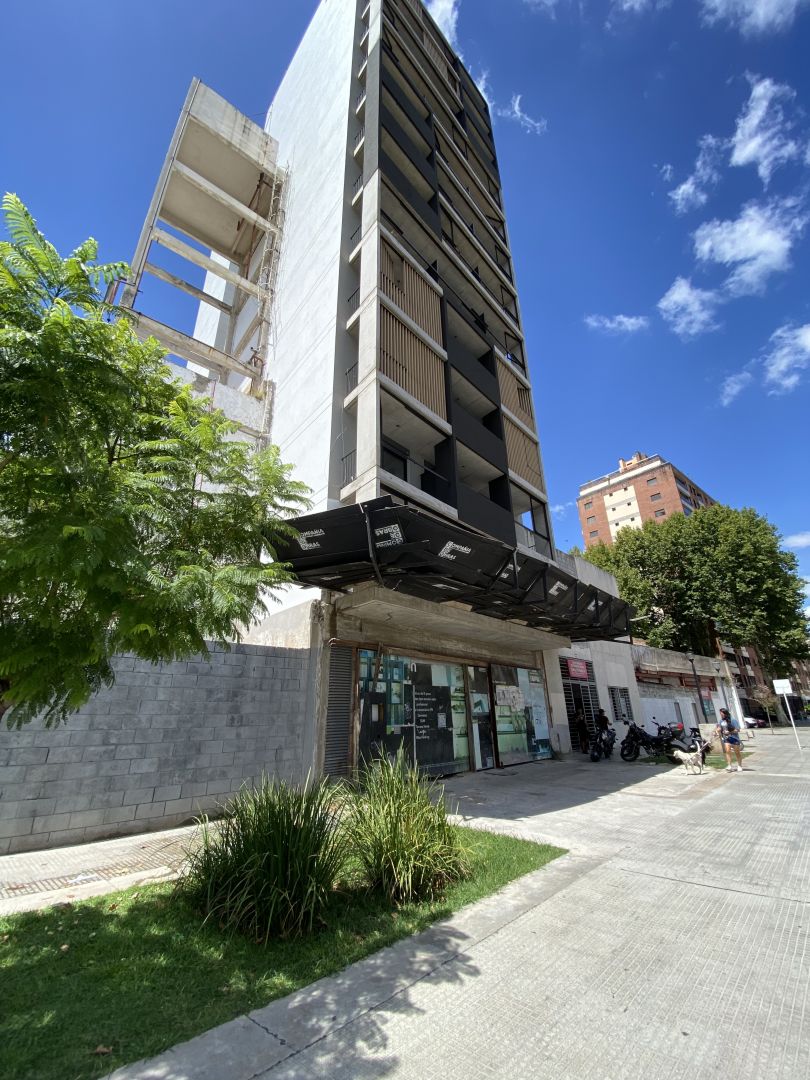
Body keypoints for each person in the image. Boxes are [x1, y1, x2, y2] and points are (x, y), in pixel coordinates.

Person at [716, 707, 743, 772]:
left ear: (725, 713)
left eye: (721, 713)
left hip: (734, 738)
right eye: (720, 713)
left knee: (737, 752)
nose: (721, 715)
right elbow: (719, 728)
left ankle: (739, 766)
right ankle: (729, 766)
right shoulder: (721, 721)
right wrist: (717, 731)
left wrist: (729, 732)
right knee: (727, 751)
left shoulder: (733, 720)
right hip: (726, 738)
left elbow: (737, 730)